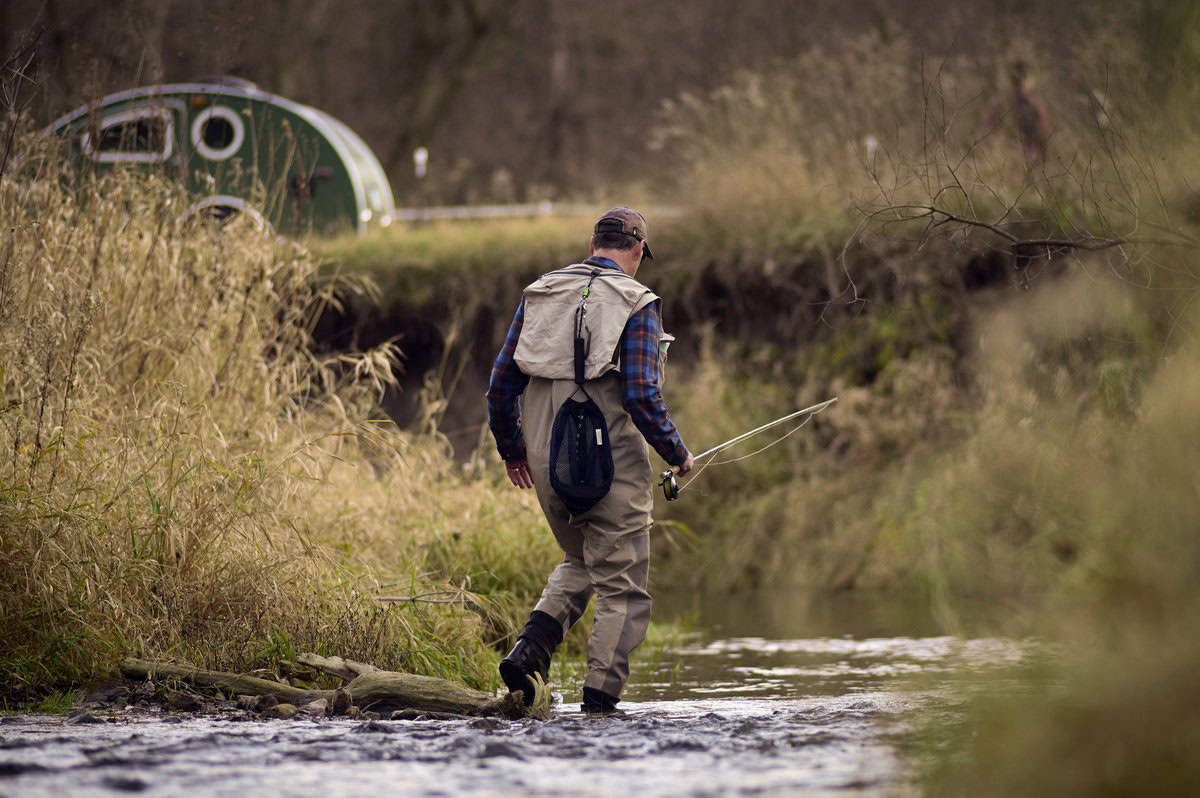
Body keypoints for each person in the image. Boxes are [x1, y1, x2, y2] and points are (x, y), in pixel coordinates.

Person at [486, 207, 694, 715]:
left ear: (593, 241)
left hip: (545, 467)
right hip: (611, 471)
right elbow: (642, 396)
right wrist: (678, 453)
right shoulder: (638, 302)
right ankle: (600, 710)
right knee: (622, 590)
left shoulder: (540, 292)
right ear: (639, 248)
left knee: (582, 559)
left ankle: (529, 650)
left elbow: (500, 387)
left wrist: (514, 451)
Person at [981, 60, 1052, 164]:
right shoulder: (1034, 104)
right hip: (1030, 157)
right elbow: (1044, 133)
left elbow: (986, 130)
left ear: (1010, 79)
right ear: (1028, 79)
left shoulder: (1000, 103)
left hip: (1002, 157)